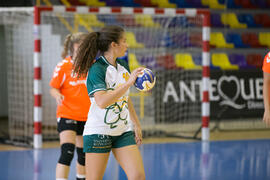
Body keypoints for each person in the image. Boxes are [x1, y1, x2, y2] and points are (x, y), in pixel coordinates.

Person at [73, 25, 146, 180]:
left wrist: (136, 123)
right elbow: (102, 101)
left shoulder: (123, 66)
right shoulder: (97, 69)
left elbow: (125, 97)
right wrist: (128, 83)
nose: (127, 45)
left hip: (122, 131)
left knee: (138, 176)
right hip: (99, 132)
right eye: (124, 41)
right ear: (114, 44)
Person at [50, 32, 91, 180]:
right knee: (67, 151)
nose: (82, 51)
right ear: (72, 48)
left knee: (83, 154)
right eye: (79, 48)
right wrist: (57, 95)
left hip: (87, 116)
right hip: (67, 113)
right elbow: (53, 87)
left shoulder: (91, 65)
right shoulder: (64, 66)